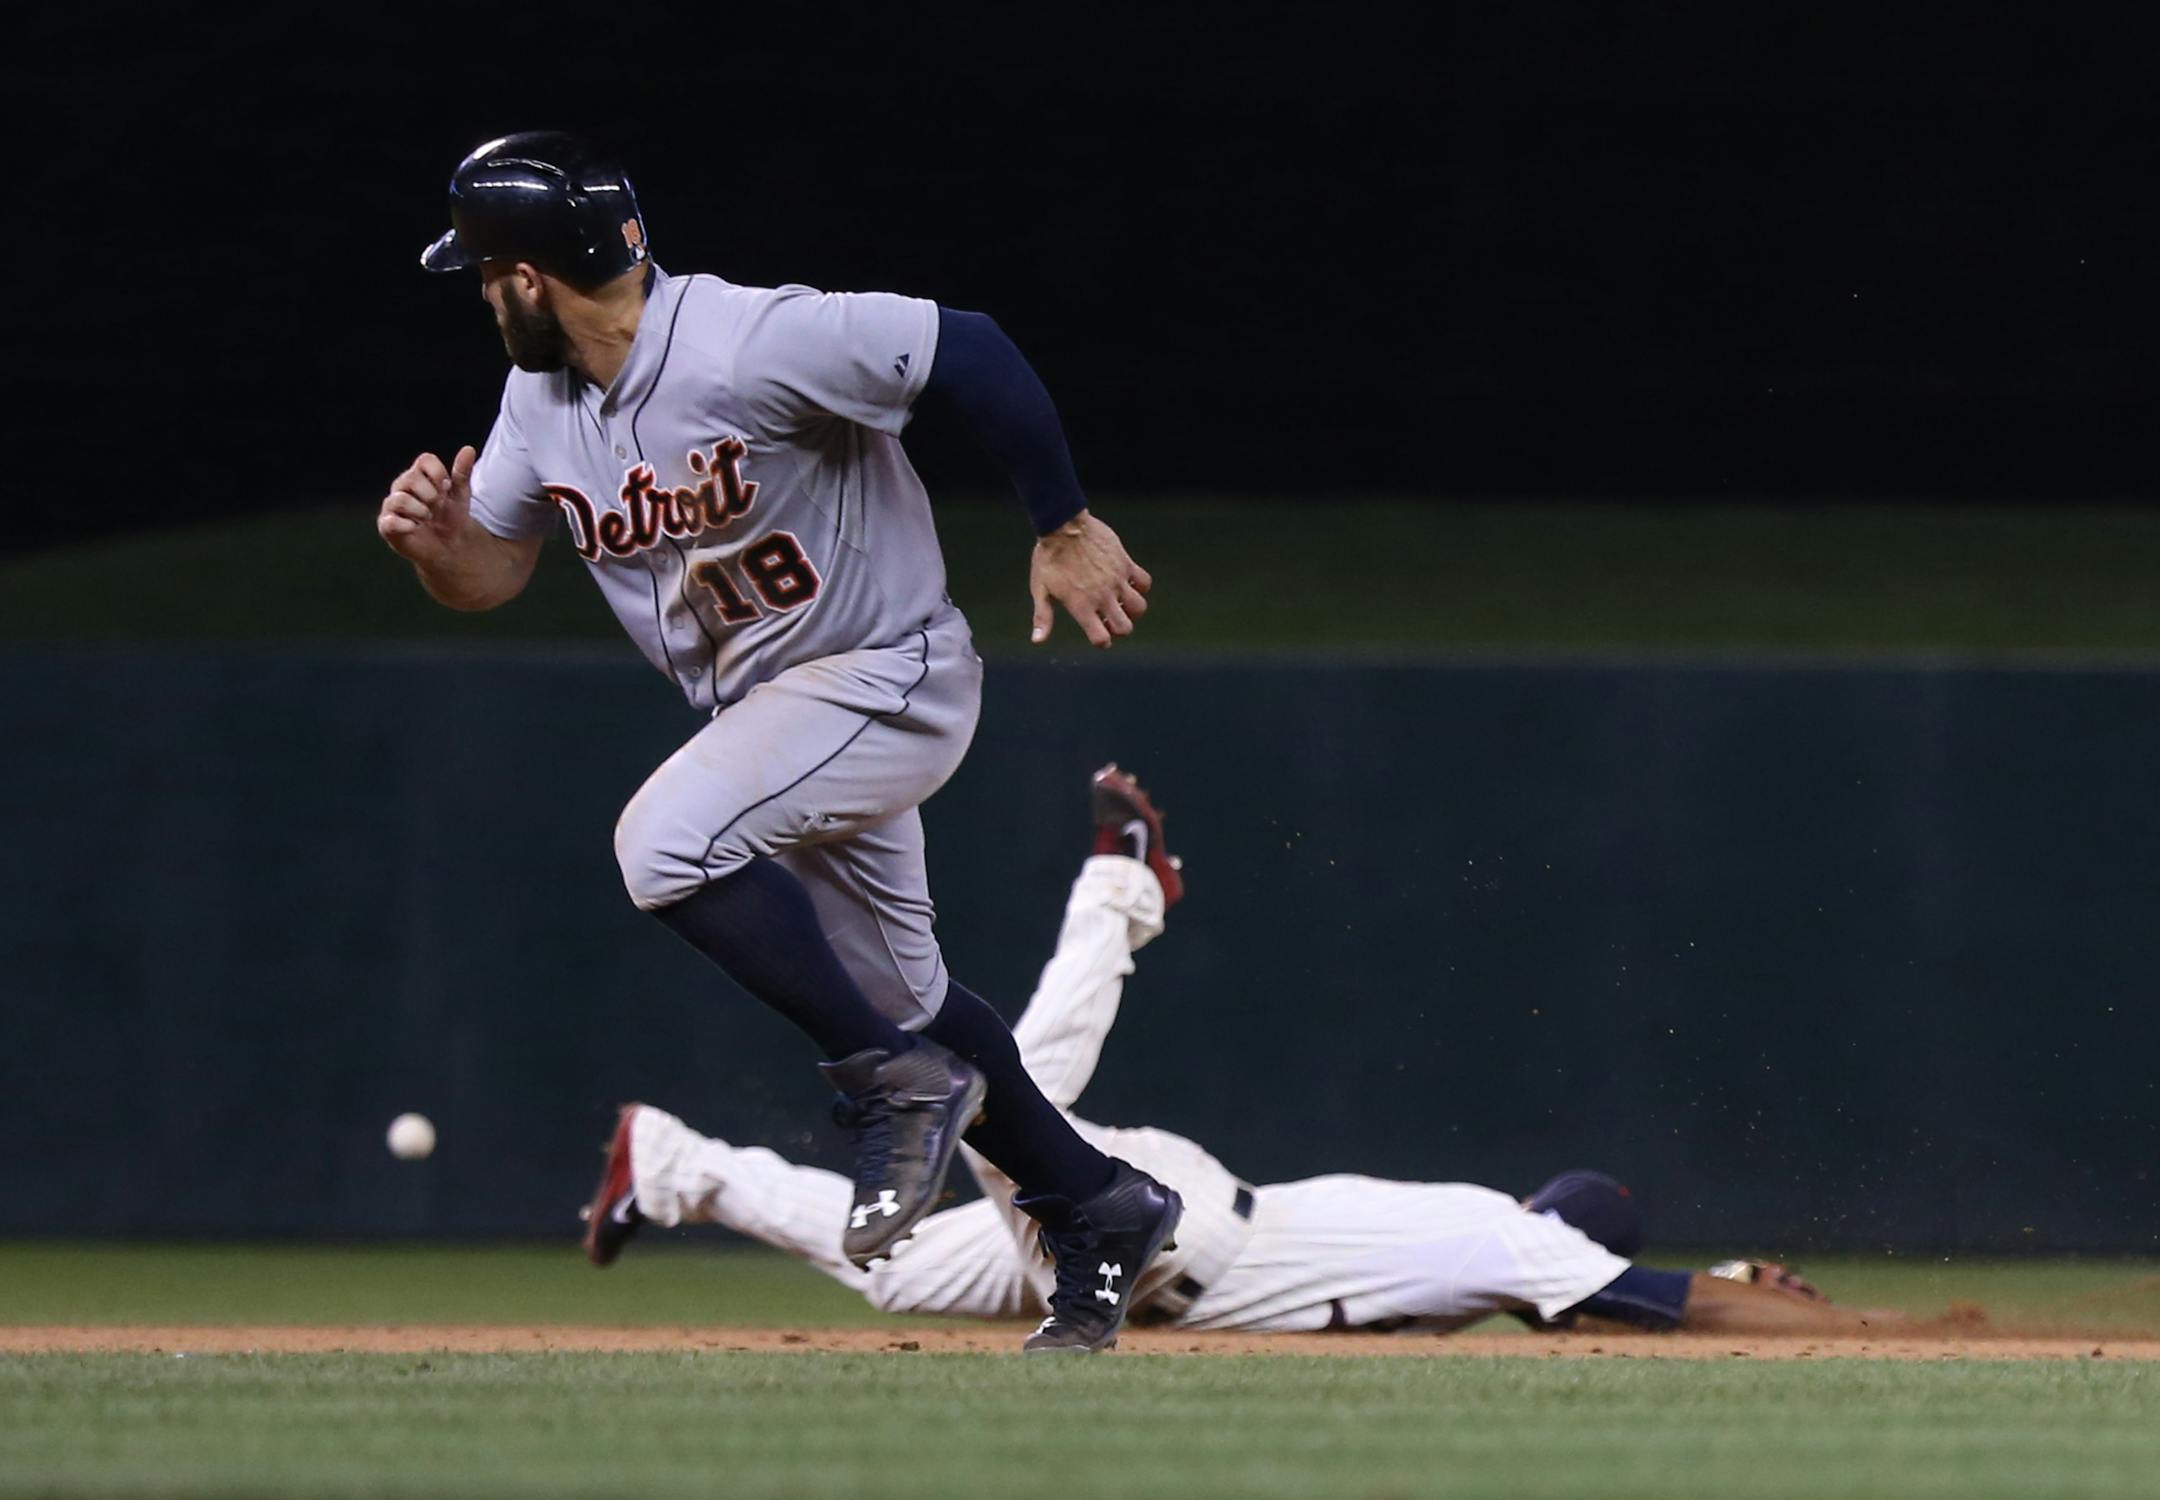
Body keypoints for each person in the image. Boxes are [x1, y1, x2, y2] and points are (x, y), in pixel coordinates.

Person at [377, 132, 1177, 1354]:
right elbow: (491, 572)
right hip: (774, 721)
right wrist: (440, 552)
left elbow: (971, 346)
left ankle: (882, 1082)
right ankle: (1097, 1202)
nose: (481, 296)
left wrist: (1063, 521)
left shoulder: (752, 339)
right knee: (909, 997)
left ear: (529, 279)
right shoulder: (539, 404)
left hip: (888, 675)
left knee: (664, 842)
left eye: (484, 275)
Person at [597, 766, 1882, 1339]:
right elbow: (1639, 1304)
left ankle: (673, 1164)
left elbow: (1629, 1294)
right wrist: (1857, 1327)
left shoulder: (1461, 1254)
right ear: (1566, 1227)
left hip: (1174, 1250)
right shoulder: (1503, 1240)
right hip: (1182, 1239)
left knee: (898, 1268)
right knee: (998, 1081)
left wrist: (1717, 1268)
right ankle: (1121, 888)